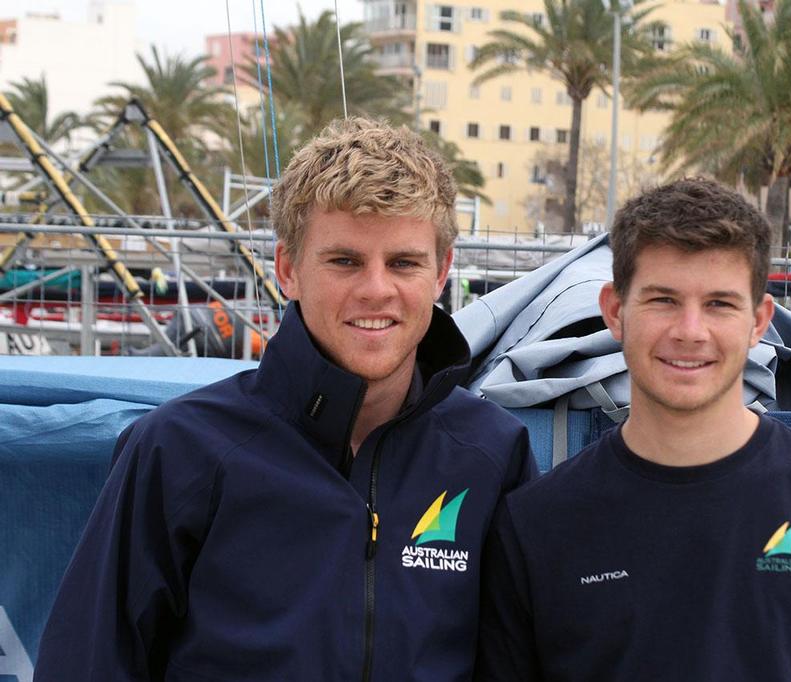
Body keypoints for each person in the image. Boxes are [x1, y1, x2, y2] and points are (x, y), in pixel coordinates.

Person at [35, 118, 537, 681]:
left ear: (441, 272)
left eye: (404, 263)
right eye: (344, 261)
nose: (376, 288)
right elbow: (86, 663)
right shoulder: (181, 450)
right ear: (287, 269)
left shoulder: (492, 454)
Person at [474, 178, 791, 682]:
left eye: (719, 303)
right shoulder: (535, 525)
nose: (690, 331)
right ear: (614, 311)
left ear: (759, 320)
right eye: (663, 300)